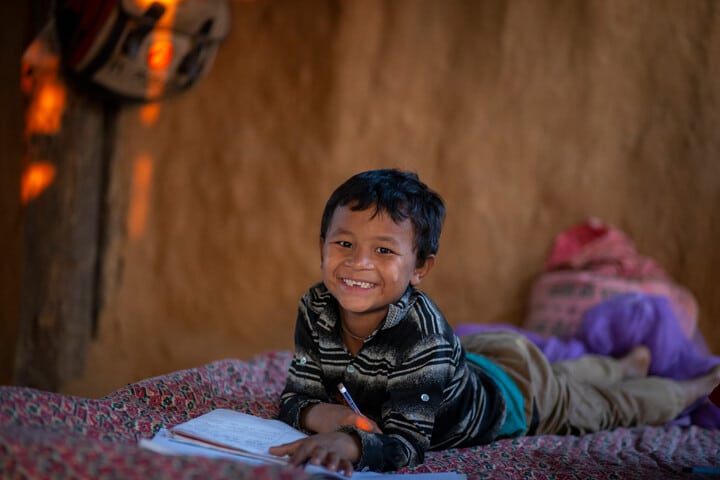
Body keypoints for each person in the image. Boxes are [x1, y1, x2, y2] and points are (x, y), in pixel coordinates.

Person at [268, 168, 720, 476]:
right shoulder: (317, 305)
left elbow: (406, 444)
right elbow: (295, 397)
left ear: (421, 267)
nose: (358, 264)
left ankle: (692, 385)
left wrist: (349, 443)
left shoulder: (420, 337)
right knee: (568, 374)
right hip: (482, 356)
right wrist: (330, 414)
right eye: (344, 244)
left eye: (384, 250)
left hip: (517, 396)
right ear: (322, 243)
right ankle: (622, 364)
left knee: (606, 407)